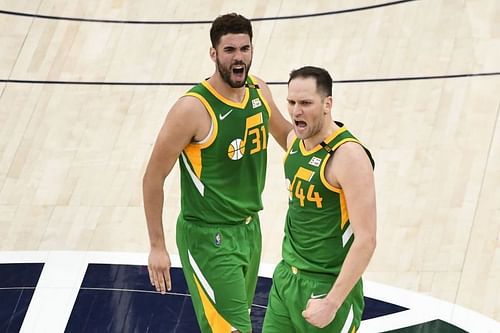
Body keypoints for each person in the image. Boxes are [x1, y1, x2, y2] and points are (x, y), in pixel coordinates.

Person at [142, 13, 291, 333]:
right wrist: (157, 245)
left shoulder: (258, 91)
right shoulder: (192, 109)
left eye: (245, 49)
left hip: (250, 231)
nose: (239, 57)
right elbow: (153, 177)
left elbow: (286, 137)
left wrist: (329, 151)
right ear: (214, 54)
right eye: (230, 50)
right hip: (209, 238)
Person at [262, 66, 377, 332]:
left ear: (328, 104)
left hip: (327, 289)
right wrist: (257, 89)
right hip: (286, 280)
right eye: (291, 102)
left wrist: (332, 302)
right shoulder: (295, 142)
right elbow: (277, 124)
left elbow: (367, 240)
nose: (296, 111)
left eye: (305, 103)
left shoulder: (349, 156)